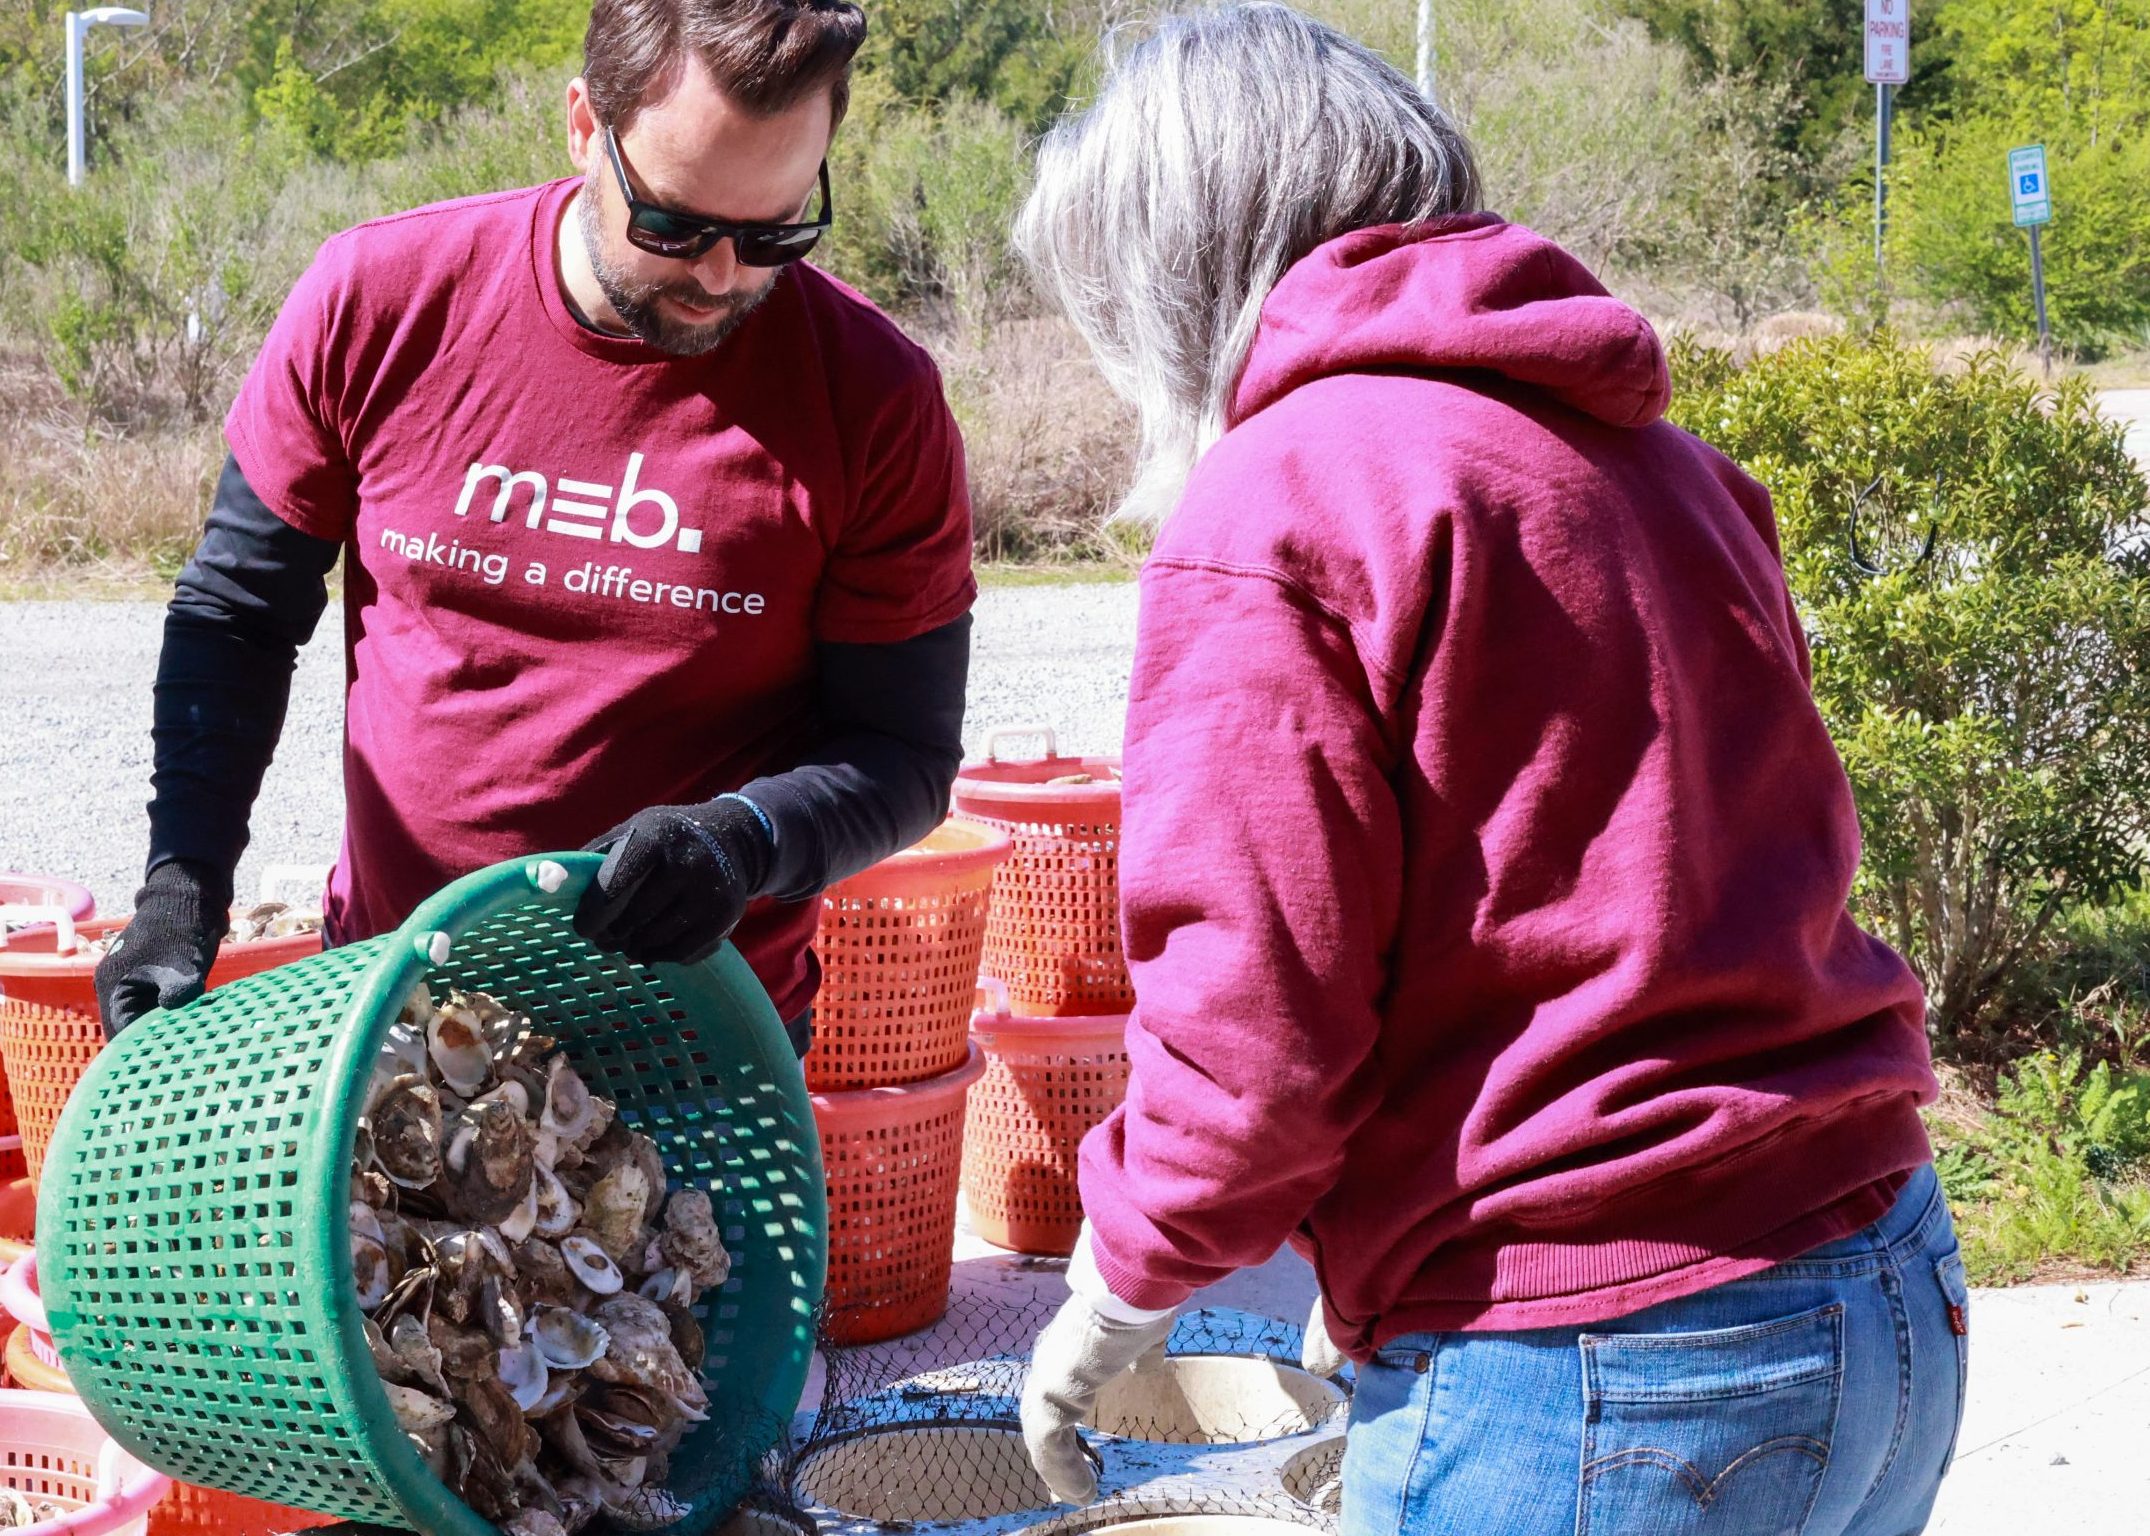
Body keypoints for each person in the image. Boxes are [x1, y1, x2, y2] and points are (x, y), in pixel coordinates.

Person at [1013, 8, 1963, 1534]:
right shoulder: (1660, 458)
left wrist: (1117, 1280)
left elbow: (1249, 1027)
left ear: (1167, 268)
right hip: (1882, 1288)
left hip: (1599, 1346)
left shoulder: (1281, 495)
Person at [94, 0, 976, 1054]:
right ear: (580, 127)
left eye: (774, 233)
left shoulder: (872, 397)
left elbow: (903, 754)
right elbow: (236, 616)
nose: (718, 278)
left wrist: (744, 840)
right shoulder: (379, 301)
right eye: (672, 224)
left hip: (696, 1042)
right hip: (398, 1009)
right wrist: (182, 888)